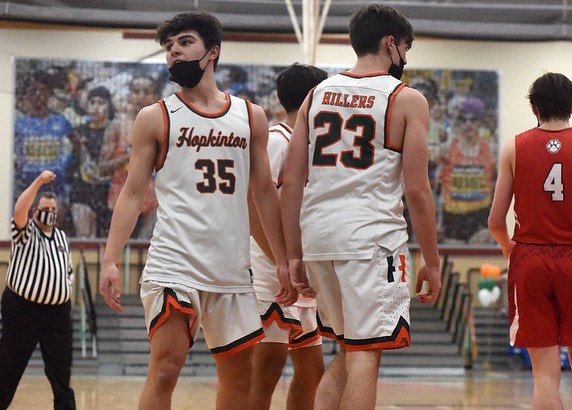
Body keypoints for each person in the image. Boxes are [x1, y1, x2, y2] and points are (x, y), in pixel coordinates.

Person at [98, 10, 295, 410]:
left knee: (239, 380)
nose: (174, 52)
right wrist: (109, 259)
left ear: (212, 52)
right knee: (165, 369)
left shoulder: (251, 116)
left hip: (232, 268)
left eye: (185, 43)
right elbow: (133, 194)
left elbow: (263, 194)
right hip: (175, 262)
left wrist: (282, 261)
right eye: (169, 47)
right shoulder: (154, 117)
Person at [280, 4, 442, 409]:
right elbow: (417, 190)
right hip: (371, 241)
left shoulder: (316, 95)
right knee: (366, 355)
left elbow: (292, 181)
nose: (405, 58)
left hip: (319, 238)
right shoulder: (407, 99)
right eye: (406, 48)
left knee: (349, 351)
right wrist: (433, 261)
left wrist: (293, 254)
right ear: (391, 44)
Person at [488, 72, 572, 410]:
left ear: (534, 108)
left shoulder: (514, 147)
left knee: (545, 378)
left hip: (531, 260)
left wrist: (510, 249)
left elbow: (495, 222)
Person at [249, 63, 328, 410]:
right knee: (267, 368)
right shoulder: (276, 141)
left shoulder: (312, 146)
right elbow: (252, 205)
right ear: (313, 97)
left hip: (298, 270)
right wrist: (279, 261)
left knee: (312, 373)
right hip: (268, 267)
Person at [0, 170, 76, 410]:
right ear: (35, 212)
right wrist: (39, 182)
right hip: (23, 310)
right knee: (7, 370)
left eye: (53, 209)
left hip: (57, 314)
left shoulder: (62, 237)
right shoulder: (25, 232)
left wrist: (64, 289)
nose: (50, 213)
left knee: (61, 374)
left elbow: (68, 271)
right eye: (45, 209)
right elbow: (18, 210)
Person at [13, 70, 75, 230]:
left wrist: (67, 166)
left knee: (50, 229)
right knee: (28, 230)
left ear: (49, 95)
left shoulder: (60, 122)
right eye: (33, 91)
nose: (38, 95)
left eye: (42, 91)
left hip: (55, 186)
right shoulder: (19, 123)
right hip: (27, 185)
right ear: (27, 94)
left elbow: (77, 145)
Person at [439, 96, 496, 244]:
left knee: (479, 250)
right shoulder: (446, 149)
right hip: (453, 216)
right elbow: (435, 185)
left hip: (480, 215)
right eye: (464, 120)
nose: (468, 124)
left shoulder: (491, 150)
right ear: (459, 123)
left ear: (480, 122)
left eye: (473, 120)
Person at [69, 86, 120, 237]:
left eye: (100, 102)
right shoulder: (79, 131)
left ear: (108, 105)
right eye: (92, 102)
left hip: (107, 190)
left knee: (104, 239)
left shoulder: (116, 130)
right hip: (82, 189)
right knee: (84, 237)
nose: (96, 107)